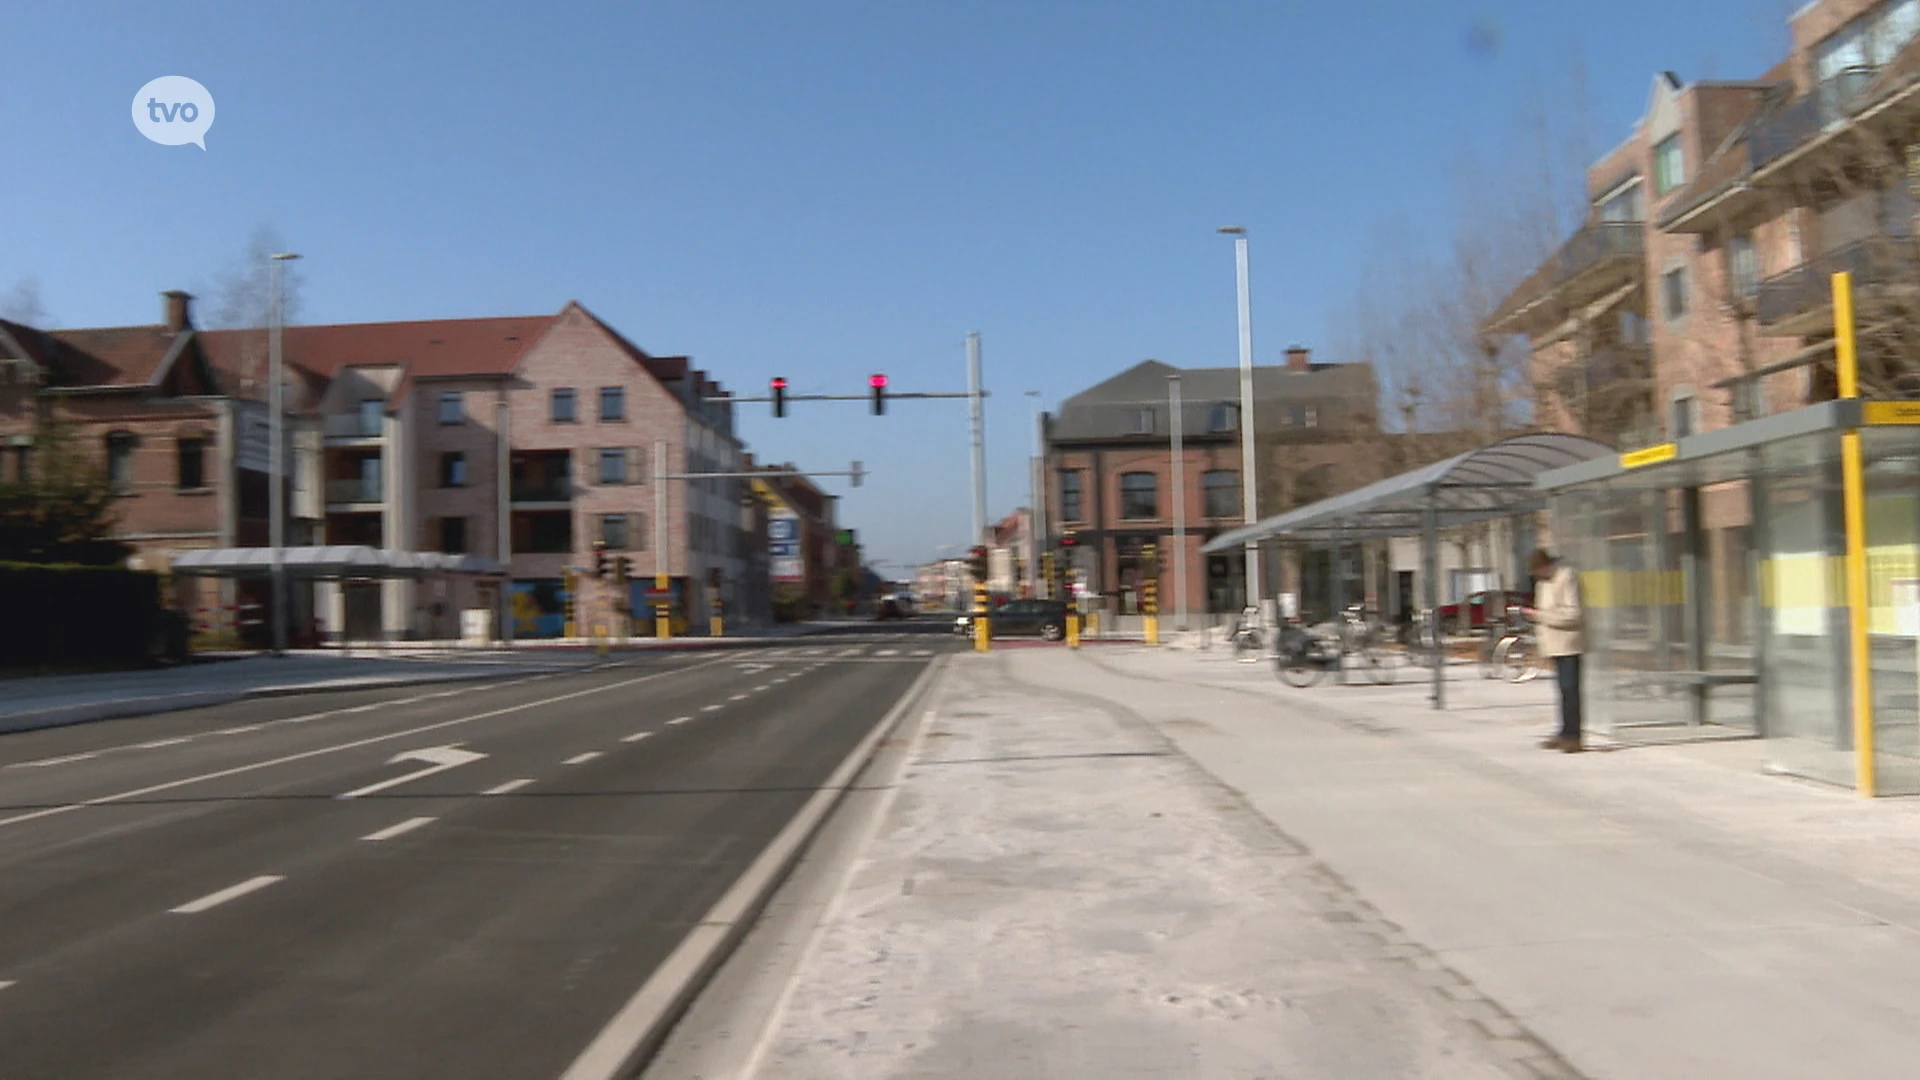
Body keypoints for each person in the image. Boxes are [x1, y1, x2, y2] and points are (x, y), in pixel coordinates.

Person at [1521, 547, 1585, 753]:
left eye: (1537, 572)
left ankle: (1573, 736)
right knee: (1562, 690)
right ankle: (1564, 730)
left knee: (1570, 689)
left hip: (1569, 643)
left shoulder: (1566, 577)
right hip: (1554, 645)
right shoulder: (1542, 583)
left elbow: (1574, 613)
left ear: (1546, 566)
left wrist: (1540, 616)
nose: (1537, 577)